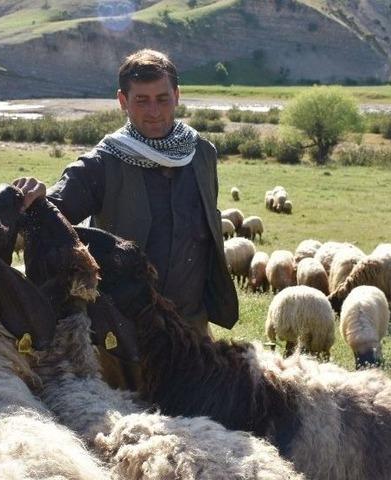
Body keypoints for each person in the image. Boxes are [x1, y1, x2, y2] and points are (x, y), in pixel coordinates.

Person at [15, 49, 238, 334]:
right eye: (141, 101)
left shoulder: (201, 154)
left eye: (162, 99)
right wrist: (35, 198)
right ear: (123, 101)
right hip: (121, 332)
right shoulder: (102, 163)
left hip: (191, 327)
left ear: (177, 96)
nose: (154, 112)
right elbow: (54, 212)